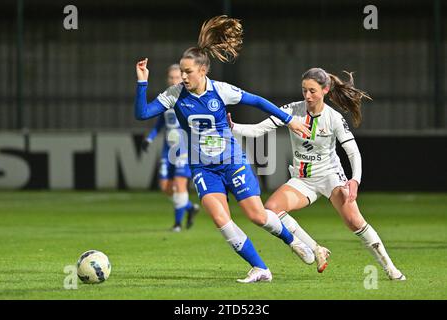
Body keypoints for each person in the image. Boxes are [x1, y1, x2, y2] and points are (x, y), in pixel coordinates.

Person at [134, 15, 315, 283]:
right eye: (181, 72)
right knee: (221, 219)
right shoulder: (174, 94)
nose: (183, 76)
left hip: (231, 161)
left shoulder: (221, 91)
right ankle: (261, 268)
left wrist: (289, 120)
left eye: (188, 72)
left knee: (256, 215)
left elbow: (258, 101)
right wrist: (142, 83)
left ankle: (292, 241)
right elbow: (143, 113)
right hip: (202, 167)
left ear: (203, 71)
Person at [229, 67, 406, 280]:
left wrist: (355, 180)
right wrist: (233, 127)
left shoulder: (333, 118)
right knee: (272, 209)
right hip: (302, 179)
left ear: (325, 90)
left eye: (312, 91)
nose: (307, 96)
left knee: (354, 221)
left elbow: (353, 152)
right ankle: (315, 249)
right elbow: (258, 130)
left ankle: (390, 268)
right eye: (304, 90)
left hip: (331, 176)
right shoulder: (292, 110)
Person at [142, 64, 200, 232]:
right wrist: (150, 139)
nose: (174, 80)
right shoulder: (166, 99)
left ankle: (177, 224)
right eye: (171, 77)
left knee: (180, 185)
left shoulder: (189, 98)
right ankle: (189, 207)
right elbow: (160, 124)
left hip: (184, 150)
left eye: (177, 77)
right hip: (167, 151)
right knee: (166, 187)